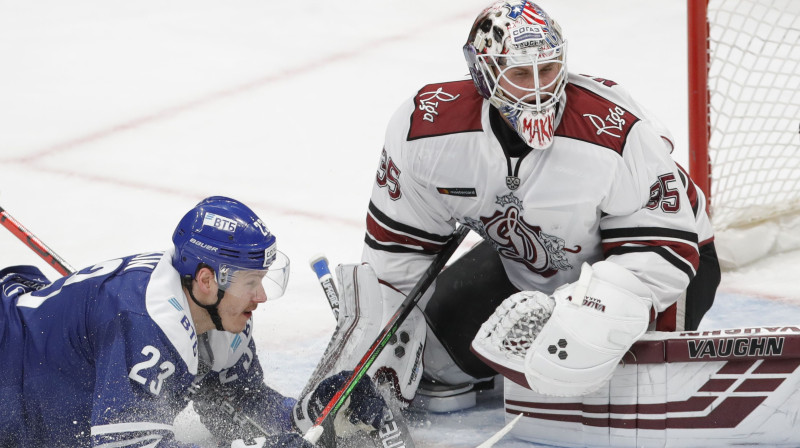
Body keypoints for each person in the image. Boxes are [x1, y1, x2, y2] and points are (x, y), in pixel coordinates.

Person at [358, 0, 720, 411]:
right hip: (531, 267)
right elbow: (397, 250)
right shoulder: (424, 131)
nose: (537, 89)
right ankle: (513, 367)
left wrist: (577, 313)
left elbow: (663, 250)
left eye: (546, 70)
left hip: (664, 264)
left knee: (618, 386)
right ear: (483, 73)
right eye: (518, 73)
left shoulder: (614, 132)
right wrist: (381, 341)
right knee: (432, 359)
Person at [0, 196, 386, 448]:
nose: (262, 297)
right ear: (205, 281)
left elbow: (236, 405)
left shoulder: (219, 317)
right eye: (251, 283)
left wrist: (315, 412)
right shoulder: (148, 324)